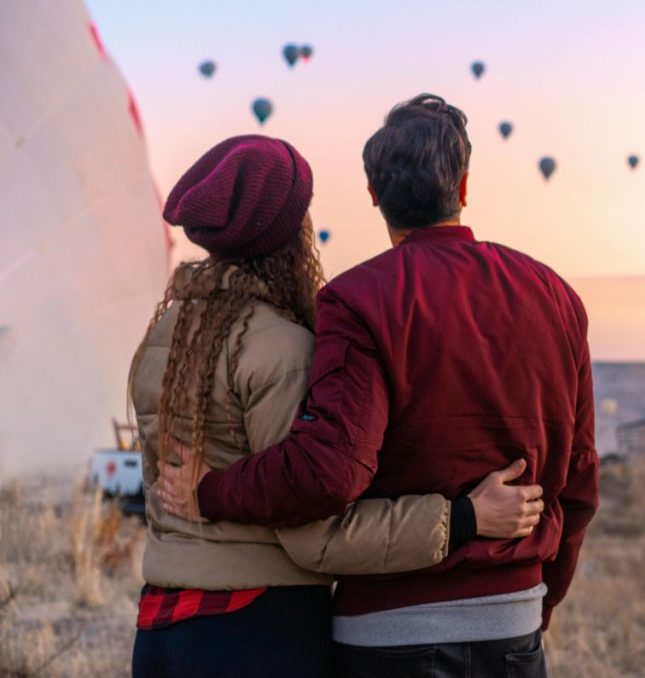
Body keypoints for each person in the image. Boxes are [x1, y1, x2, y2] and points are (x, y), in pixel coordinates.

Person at [160, 95, 600, 677]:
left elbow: (328, 473)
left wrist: (210, 493)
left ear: (373, 196)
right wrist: (536, 602)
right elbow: (579, 481)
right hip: (512, 627)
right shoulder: (556, 297)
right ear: (463, 187)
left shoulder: (357, 300)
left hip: (388, 634)